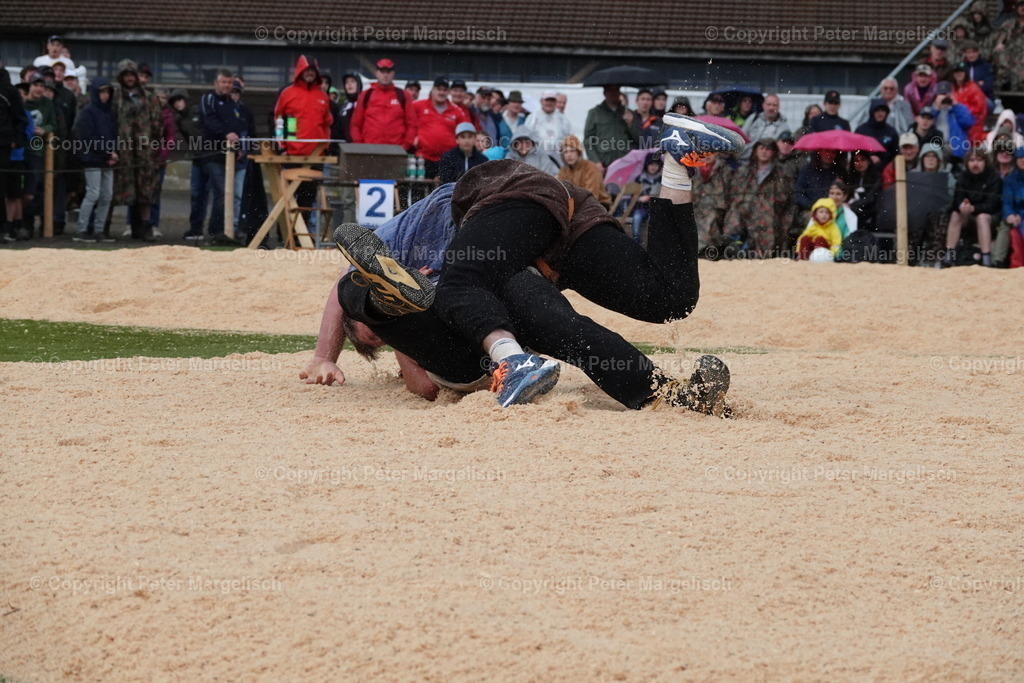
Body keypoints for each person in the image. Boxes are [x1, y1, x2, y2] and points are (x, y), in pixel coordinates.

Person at [324, 114, 744, 412]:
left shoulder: (403, 237)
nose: (392, 342)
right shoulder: (490, 293)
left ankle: (508, 359)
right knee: (665, 301)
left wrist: (323, 357)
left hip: (507, 199)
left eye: (377, 334)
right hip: (562, 226)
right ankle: (677, 161)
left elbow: (347, 284)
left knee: (453, 282)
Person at [186, 69, 243, 245]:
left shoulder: (232, 103)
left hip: (229, 154)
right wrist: (225, 134)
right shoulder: (208, 98)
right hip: (211, 153)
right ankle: (215, 232)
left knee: (226, 193)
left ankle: (222, 230)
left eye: (229, 82)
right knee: (219, 192)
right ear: (216, 83)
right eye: (223, 82)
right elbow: (210, 121)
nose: (226, 85)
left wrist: (238, 146)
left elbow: (236, 126)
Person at [111, 59, 163, 242]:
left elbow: (158, 124)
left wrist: (153, 146)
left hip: (144, 151)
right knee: (122, 189)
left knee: (145, 190)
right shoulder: (115, 97)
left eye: (131, 74)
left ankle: (146, 227)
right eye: (125, 75)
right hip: (123, 152)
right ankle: (108, 227)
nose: (129, 78)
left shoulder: (149, 98)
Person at [723, 137, 792, 257]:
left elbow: (784, 198)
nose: (764, 152)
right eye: (761, 148)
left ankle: (761, 252)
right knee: (735, 214)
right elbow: (735, 193)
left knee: (767, 218)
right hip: (746, 208)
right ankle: (734, 244)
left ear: (774, 152)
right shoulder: (745, 170)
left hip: (769, 210)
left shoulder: (781, 173)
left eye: (768, 149)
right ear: (755, 151)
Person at [71, 78, 117, 242]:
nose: (105, 95)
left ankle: (99, 230)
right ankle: (81, 230)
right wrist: (107, 153)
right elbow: (87, 137)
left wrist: (113, 152)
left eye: (107, 92)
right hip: (92, 158)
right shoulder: (88, 111)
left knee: (107, 196)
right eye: (102, 91)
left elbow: (114, 134)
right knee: (93, 194)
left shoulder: (110, 112)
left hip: (107, 159)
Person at [940, 148, 1002, 267]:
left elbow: (992, 205)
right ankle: (949, 255)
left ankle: (986, 259)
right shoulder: (963, 176)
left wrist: (973, 208)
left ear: (985, 162)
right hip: (968, 215)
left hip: (990, 217)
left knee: (982, 217)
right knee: (955, 215)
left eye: (979, 160)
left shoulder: (994, 178)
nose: (975, 164)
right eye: (972, 160)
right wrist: (962, 205)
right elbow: (956, 200)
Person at [350, 58, 416, 149]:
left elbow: (412, 124)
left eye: (388, 72)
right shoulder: (366, 95)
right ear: (376, 73)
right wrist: (361, 146)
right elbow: (355, 124)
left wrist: (405, 146)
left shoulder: (403, 95)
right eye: (382, 72)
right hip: (370, 150)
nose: (385, 75)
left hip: (396, 150)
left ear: (393, 73)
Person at [412, 77, 469, 179]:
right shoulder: (418, 106)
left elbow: (466, 131)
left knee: (446, 187)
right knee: (421, 187)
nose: (441, 92)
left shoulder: (457, 111)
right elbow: (407, 122)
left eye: (445, 90)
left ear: (448, 92)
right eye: (439, 89)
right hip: (422, 158)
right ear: (433, 90)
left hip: (447, 160)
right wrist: (413, 138)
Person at [0, 64, 29, 242]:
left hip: (3, 145)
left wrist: (15, 141)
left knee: (2, 189)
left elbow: (20, 119)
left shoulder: (10, 91)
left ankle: (4, 228)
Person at [583, 85, 638, 168]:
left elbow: (637, 139)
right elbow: (588, 140)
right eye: (610, 91)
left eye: (616, 90)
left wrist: (630, 124)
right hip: (603, 163)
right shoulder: (595, 113)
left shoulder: (628, 113)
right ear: (604, 93)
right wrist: (596, 161)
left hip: (624, 163)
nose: (613, 93)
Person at [556, 135, 610, 208]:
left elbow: (592, 195)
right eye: (566, 152)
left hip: (598, 204)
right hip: (573, 206)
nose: (569, 155)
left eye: (572, 151)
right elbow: (561, 192)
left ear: (578, 152)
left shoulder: (591, 168)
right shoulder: (563, 171)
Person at [992, 147, 1024, 268]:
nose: (1023, 160)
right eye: (1020, 158)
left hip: (1021, 215)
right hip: (1016, 216)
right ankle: (997, 261)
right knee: (1005, 226)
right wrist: (1009, 214)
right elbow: (1006, 201)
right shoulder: (1011, 179)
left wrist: (1021, 215)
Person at [932, 82, 975, 167]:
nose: (945, 97)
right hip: (937, 147)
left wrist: (955, 105)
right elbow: (926, 125)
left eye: (946, 94)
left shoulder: (959, 109)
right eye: (942, 94)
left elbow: (968, 122)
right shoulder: (932, 110)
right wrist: (936, 108)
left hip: (955, 149)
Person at [523, 90, 573, 159]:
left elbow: (570, 137)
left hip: (558, 158)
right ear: (541, 101)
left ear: (555, 102)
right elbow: (524, 137)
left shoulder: (563, 119)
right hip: (536, 157)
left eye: (552, 100)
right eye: (547, 100)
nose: (549, 103)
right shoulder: (533, 117)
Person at [949, 62, 988, 145]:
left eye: (961, 72)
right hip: (956, 123)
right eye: (956, 72)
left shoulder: (973, 88)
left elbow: (979, 108)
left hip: (972, 124)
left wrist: (961, 108)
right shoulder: (951, 88)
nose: (958, 74)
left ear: (965, 73)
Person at [627, 153, 663, 242]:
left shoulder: (662, 180)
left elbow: (664, 195)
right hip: (641, 207)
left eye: (656, 164)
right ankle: (636, 242)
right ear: (646, 165)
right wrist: (640, 198)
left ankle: (653, 243)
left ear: (659, 166)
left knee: (654, 222)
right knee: (636, 218)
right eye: (651, 164)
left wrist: (653, 198)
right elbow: (633, 196)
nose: (653, 167)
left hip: (656, 208)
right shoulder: (639, 179)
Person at [854, 99, 899, 166]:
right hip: (864, 168)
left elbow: (895, 154)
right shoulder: (861, 131)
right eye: (877, 110)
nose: (880, 113)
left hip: (886, 168)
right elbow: (855, 152)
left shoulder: (891, 132)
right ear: (872, 112)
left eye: (883, 111)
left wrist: (882, 160)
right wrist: (868, 158)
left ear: (886, 113)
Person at [741, 94, 786, 158]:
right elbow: (741, 138)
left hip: (768, 161)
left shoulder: (784, 127)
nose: (771, 108)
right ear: (763, 105)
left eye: (774, 105)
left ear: (779, 107)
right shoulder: (754, 118)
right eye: (769, 104)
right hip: (745, 159)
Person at [846, 151, 882, 232]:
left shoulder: (876, 176)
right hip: (853, 211)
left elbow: (871, 197)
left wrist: (852, 205)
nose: (859, 163)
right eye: (856, 160)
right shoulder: (850, 177)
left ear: (868, 161)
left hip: (870, 212)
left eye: (862, 159)